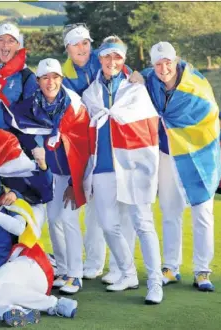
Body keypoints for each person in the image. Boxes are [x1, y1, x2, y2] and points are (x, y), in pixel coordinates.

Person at [81, 36, 162, 304]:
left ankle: (154, 282)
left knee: (143, 222)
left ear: (123, 60)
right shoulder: (90, 94)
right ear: (100, 58)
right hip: (103, 165)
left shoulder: (135, 90)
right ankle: (127, 272)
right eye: (107, 56)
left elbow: (149, 127)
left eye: (117, 57)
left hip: (132, 166)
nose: (112, 61)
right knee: (107, 223)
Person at [4, 58, 95, 294]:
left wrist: (75, 182)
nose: (50, 82)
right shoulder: (31, 105)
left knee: (68, 221)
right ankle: (64, 270)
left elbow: (82, 146)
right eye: (45, 78)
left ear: (61, 79)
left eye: (55, 77)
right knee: (54, 222)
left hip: (72, 173)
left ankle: (75, 274)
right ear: (38, 81)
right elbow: (13, 121)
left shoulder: (74, 105)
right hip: (49, 173)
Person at [60, 23, 142, 282]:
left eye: (85, 42)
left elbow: (129, 75)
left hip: (120, 147)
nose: (82, 48)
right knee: (96, 209)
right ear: (68, 48)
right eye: (76, 44)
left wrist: (141, 74)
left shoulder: (105, 60)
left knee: (123, 211)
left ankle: (120, 267)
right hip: (90, 147)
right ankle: (95, 262)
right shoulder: (65, 76)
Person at [0, 163, 78, 327]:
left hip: (29, 266)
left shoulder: (12, 202)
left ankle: (55, 304)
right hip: (6, 282)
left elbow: (18, 227)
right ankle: (11, 312)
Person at [143, 41, 221, 292]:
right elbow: (136, 75)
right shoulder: (150, 81)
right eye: (158, 63)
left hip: (198, 155)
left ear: (176, 61)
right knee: (169, 210)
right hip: (166, 154)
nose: (164, 68)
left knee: (203, 212)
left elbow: (210, 112)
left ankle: (202, 270)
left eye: (168, 62)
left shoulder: (195, 84)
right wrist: (134, 75)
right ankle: (170, 267)